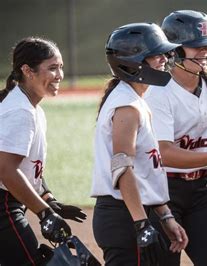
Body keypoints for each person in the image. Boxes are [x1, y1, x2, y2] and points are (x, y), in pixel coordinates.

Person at [90, 22, 188, 265]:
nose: (165, 58)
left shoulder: (136, 99)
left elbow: (146, 172)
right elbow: (122, 167)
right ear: (133, 61)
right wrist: (141, 223)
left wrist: (165, 215)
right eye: (156, 54)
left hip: (132, 212)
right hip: (124, 217)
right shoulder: (127, 105)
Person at [144, 10, 207, 266]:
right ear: (173, 50)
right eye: (196, 46)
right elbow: (164, 153)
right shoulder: (158, 90)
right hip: (163, 191)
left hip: (202, 189)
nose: (205, 52)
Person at [0, 37, 83, 265]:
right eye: (52, 68)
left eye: (61, 68)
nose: (59, 75)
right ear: (27, 70)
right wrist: (44, 213)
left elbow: (27, 164)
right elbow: (7, 170)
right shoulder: (20, 111)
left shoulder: (29, 107)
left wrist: (48, 198)